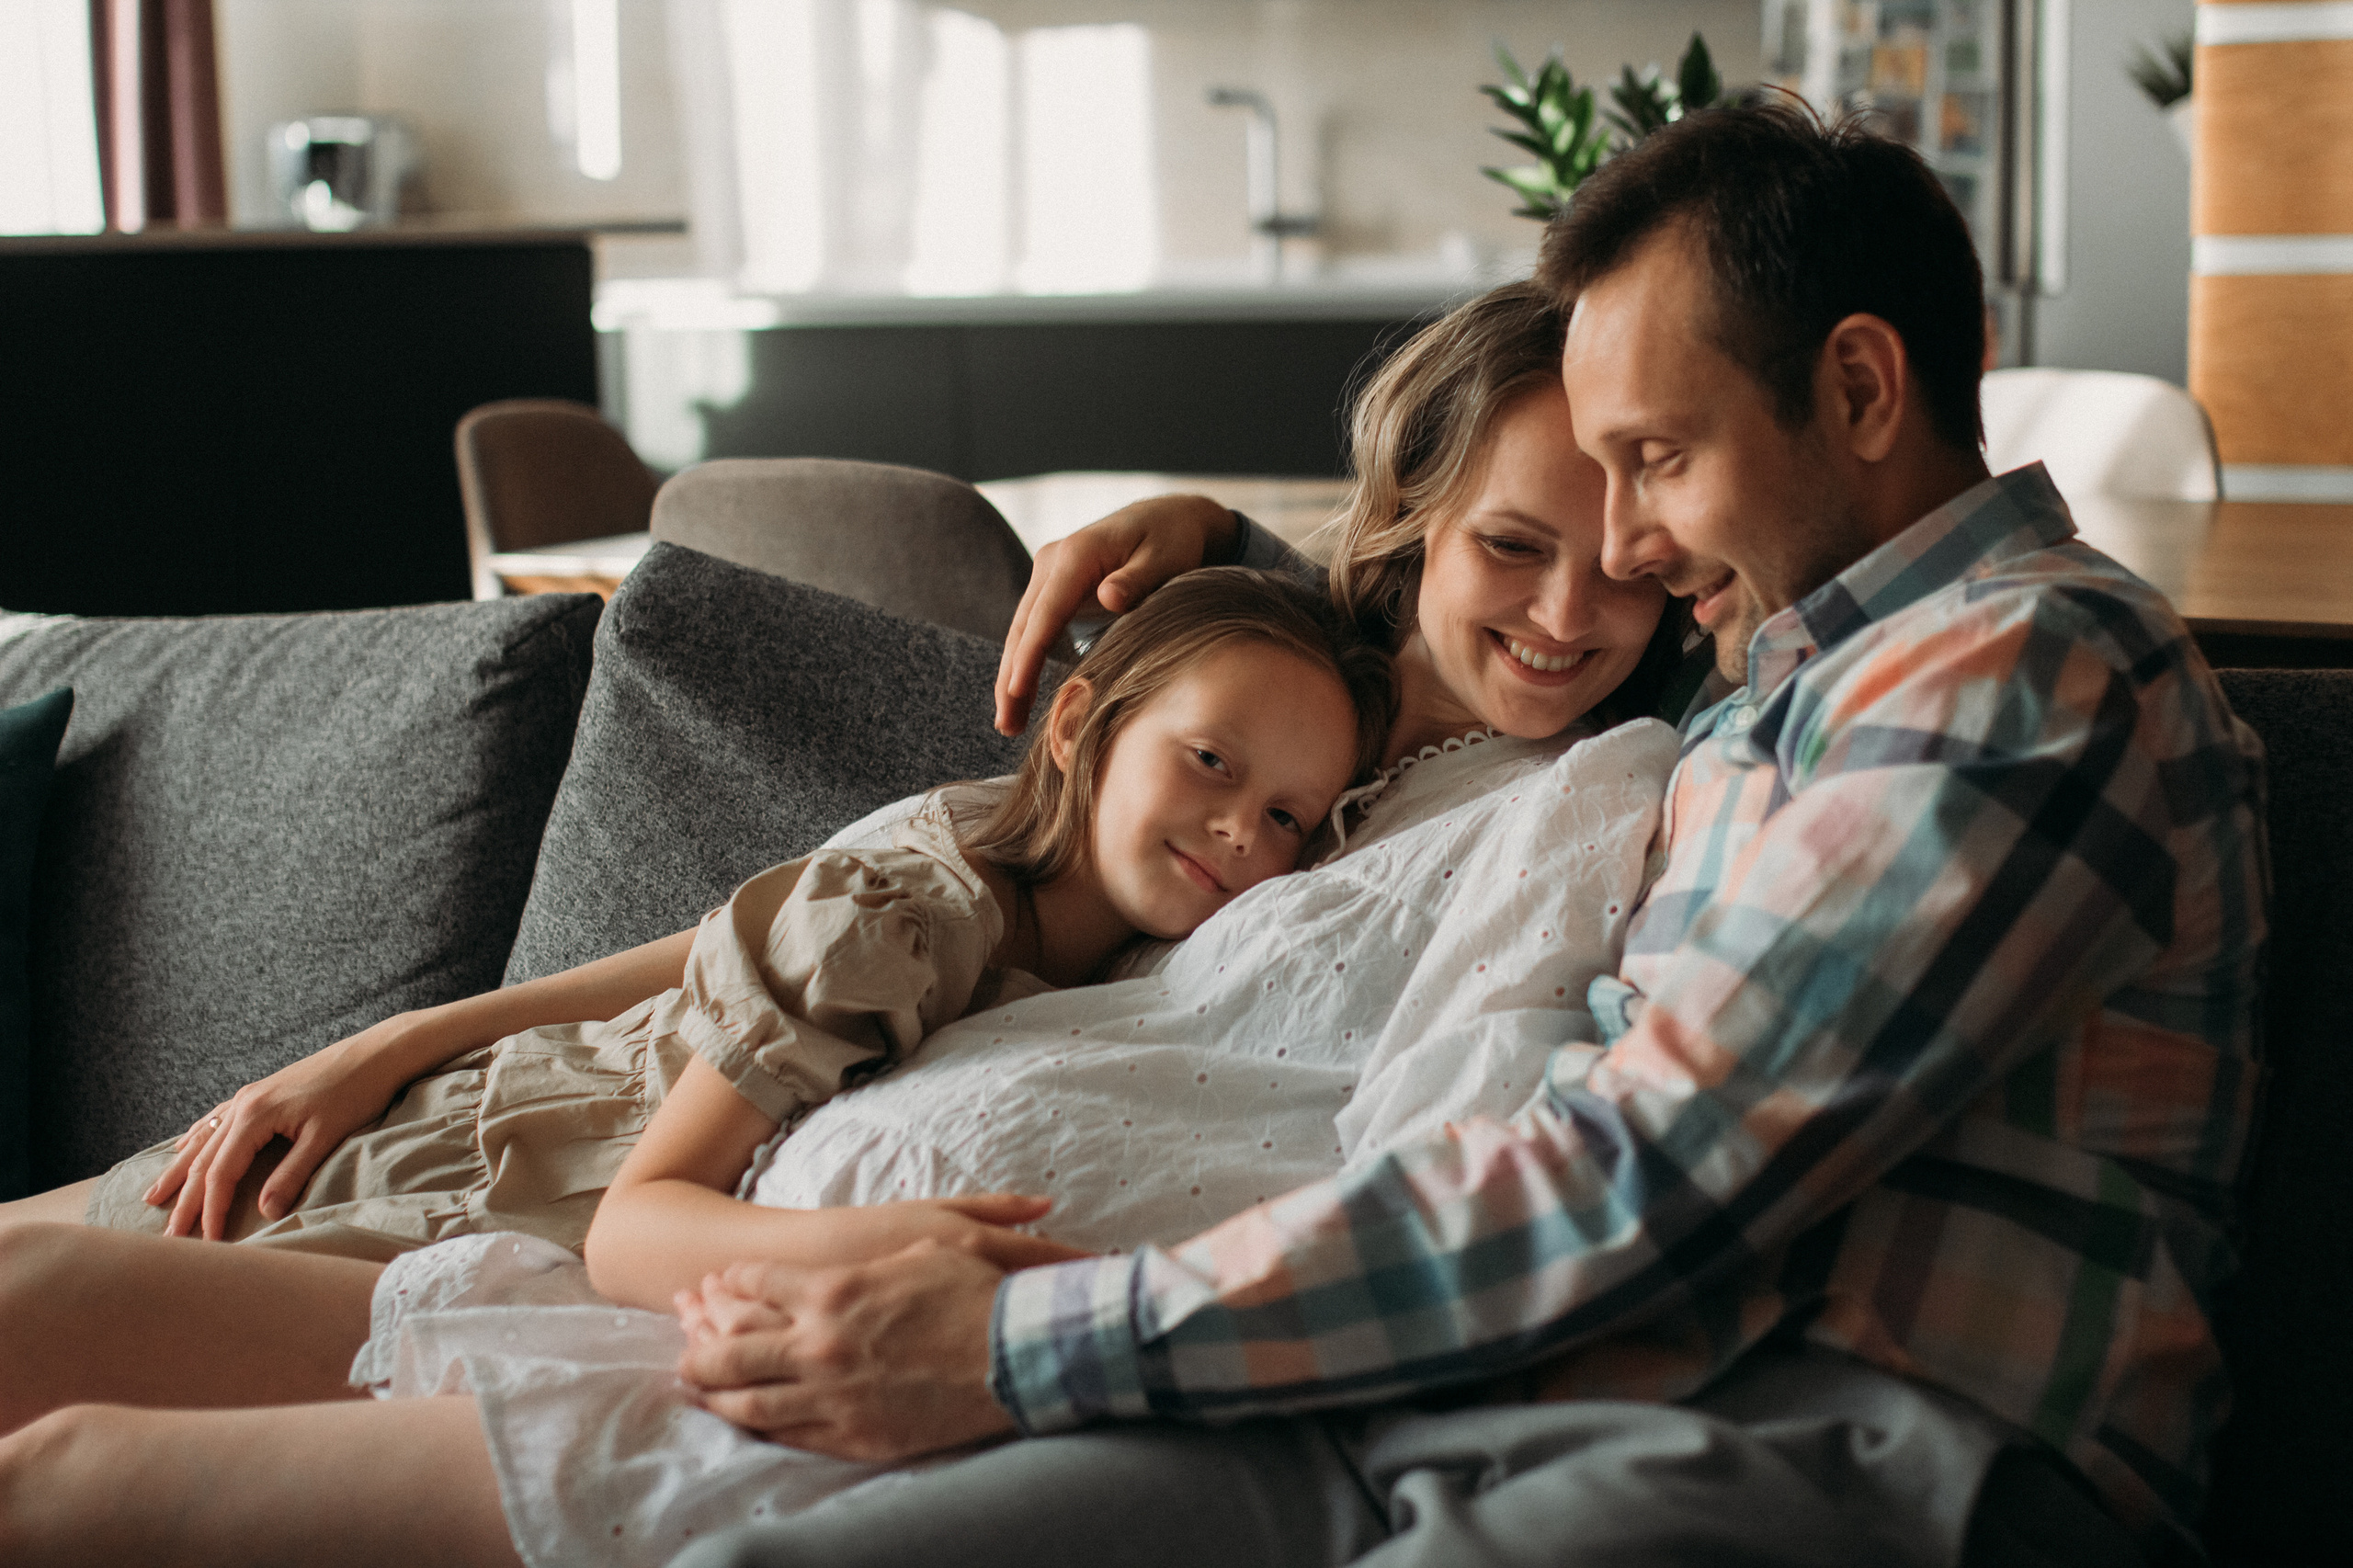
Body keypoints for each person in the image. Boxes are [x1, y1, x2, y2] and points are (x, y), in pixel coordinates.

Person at [638, 98, 2266, 1568]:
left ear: (1856, 387)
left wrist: (1014, 1342)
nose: (1621, 546)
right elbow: (1445, 642)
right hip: (1503, 1394)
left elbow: (1653, 1177)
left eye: (1656, 460)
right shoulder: (1769, 679)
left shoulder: (2027, 670)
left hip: (1858, 1451)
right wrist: (1229, 551)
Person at [0, 282, 1689, 1564]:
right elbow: (807, 924)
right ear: (1409, 528)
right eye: (1513, 547)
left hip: (687, 1174)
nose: (1567, 609)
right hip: (581, 1124)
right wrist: (391, 1038)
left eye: (1628, 562)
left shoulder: (1438, 785)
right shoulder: (1212, 686)